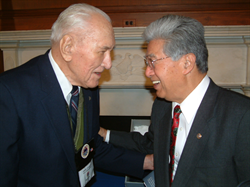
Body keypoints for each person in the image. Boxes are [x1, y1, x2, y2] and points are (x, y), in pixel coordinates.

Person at [0, 3, 153, 187]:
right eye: (102, 51)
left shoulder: (88, 86)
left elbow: (91, 147)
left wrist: (147, 162)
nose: (108, 63)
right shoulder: (9, 93)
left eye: (110, 51)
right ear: (68, 47)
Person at [99, 14, 250, 186]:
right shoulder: (163, 106)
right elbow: (150, 145)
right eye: (146, 62)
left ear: (187, 63)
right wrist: (105, 134)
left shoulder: (242, 116)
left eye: (152, 61)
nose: (148, 72)